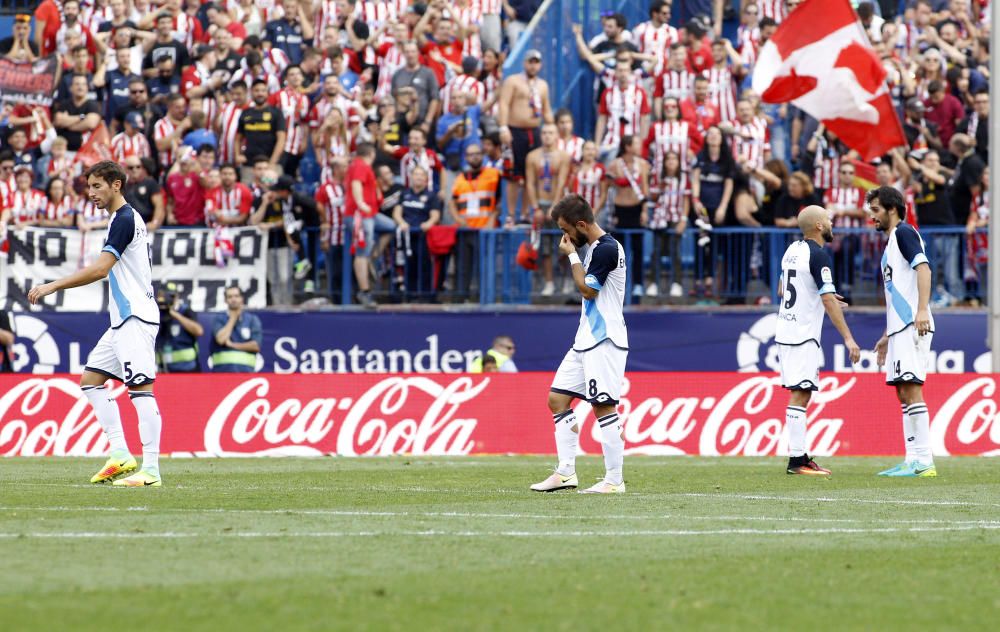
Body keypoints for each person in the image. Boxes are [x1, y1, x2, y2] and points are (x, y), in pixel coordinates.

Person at [27, 161, 163, 488]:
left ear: (117, 185)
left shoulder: (125, 218)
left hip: (135, 316)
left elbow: (101, 269)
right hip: (122, 319)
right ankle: (119, 453)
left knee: (140, 388)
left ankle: (152, 470)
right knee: (90, 380)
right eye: (89, 187)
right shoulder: (120, 218)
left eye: (97, 186)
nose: (91, 194)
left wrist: (53, 285)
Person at [531, 194, 628, 494]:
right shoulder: (597, 248)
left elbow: (588, 291)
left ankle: (614, 480)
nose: (565, 236)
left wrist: (571, 256)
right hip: (586, 339)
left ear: (581, 225)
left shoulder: (607, 249)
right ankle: (565, 473)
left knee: (603, 406)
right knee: (557, 399)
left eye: (566, 229)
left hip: (604, 340)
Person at [775, 205, 861, 476]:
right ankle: (797, 461)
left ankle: (799, 458)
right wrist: (848, 339)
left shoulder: (792, 250)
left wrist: (816, 294)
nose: (831, 221)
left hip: (785, 330)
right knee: (801, 392)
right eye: (828, 218)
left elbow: (781, 289)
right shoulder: (819, 255)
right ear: (819, 226)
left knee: (802, 390)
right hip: (801, 333)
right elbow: (825, 298)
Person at [867, 186, 937, 478]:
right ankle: (912, 459)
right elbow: (898, 292)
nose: (872, 217)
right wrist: (887, 333)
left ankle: (924, 461)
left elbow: (924, 269)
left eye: (875, 210)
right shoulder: (891, 242)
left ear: (891, 208)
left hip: (912, 324)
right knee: (901, 391)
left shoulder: (904, 233)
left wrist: (922, 310)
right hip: (899, 327)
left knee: (911, 387)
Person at [498, 49, 553, 225]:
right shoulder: (513, 81)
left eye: (536, 62)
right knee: (514, 175)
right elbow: (504, 104)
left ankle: (526, 213)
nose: (533, 65)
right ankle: (511, 215)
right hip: (515, 131)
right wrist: (503, 127)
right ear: (524, 63)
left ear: (540, 64)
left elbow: (546, 109)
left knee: (532, 174)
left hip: (534, 131)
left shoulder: (543, 85)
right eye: (530, 61)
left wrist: (553, 126)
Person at [524, 123, 570, 296]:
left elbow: (561, 181)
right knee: (544, 247)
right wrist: (535, 207)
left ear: (557, 135)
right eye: (544, 132)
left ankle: (566, 280)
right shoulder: (532, 156)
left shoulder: (563, 156)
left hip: (559, 205)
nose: (547, 136)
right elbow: (530, 183)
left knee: (565, 244)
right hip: (541, 203)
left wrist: (555, 206)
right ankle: (549, 283)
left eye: (551, 132)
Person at [344, 143, 381, 307]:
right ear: (371, 153)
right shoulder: (360, 165)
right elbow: (356, 184)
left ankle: (372, 254)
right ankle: (364, 291)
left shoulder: (359, 165)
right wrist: (360, 203)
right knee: (361, 252)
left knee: (391, 226)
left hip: (371, 214)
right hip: (360, 214)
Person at [209, 285, 262, 372]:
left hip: (246, 373)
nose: (233, 299)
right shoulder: (219, 318)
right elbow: (221, 340)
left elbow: (255, 346)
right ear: (225, 300)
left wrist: (232, 345)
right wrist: (232, 318)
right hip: (222, 373)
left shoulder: (252, 319)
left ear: (242, 298)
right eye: (230, 297)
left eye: (236, 296)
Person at [155, 282, 204, 373]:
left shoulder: (185, 311)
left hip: (187, 369)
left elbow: (199, 331)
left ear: (177, 297)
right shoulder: (155, 313)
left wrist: (175, 315)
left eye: (171, 296)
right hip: (162, 370)